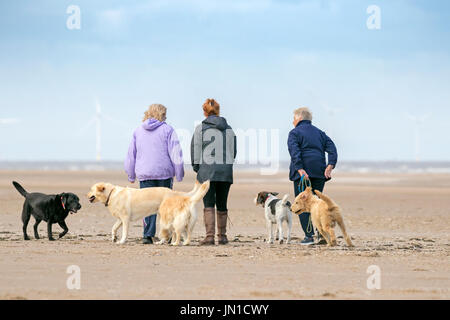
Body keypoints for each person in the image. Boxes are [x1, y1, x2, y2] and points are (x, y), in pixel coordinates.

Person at [124, 104, 184, 244]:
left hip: (145, 174)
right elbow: (176, 153)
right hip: (164, 174)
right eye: (165, 114)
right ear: (161, 114)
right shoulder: (168, 129)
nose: (166, 117)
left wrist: (131, 175)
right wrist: (179, 173)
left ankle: (147, 235)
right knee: (167, 205)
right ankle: (167, 235)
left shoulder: (138, 131)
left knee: (147, 205)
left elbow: (131, 155)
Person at [287, 107, 337, 245]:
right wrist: (330, 165)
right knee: (318, 204)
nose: (292, 121)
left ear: (299, 118)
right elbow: (332, 148)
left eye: (294, 118)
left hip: (303, 175)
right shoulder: (320, 133)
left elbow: (294, 151)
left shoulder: (294, 133)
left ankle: (309, 236)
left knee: (302, 204)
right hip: (319, 173)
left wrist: (299, 168)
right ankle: (322, 235)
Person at [191, 98, 237, 245]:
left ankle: (210, 237)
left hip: (207, 171)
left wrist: (197, 168)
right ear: (218, 111)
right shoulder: (229, 129)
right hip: (225, 171)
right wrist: (227, 165)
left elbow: (195, 150)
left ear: (204, 112)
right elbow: (233, 151)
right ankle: (222, 236)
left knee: (209, 204)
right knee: (222, 203)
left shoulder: (200, 128)